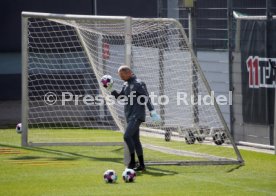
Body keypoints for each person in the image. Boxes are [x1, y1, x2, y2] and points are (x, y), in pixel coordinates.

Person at [104, 65, 160, 171]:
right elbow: (120, 97)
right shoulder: (126, 84)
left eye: (122, 75)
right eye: (120, 76)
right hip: (129, 115)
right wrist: (110, 88)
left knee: (126, 136)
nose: (121, 78)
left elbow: (146, 97)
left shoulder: (139, 83)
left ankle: (132, 162)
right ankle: (142, 165)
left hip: (137, 115)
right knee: (135, 140)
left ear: (129, 72)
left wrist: (153, 112)